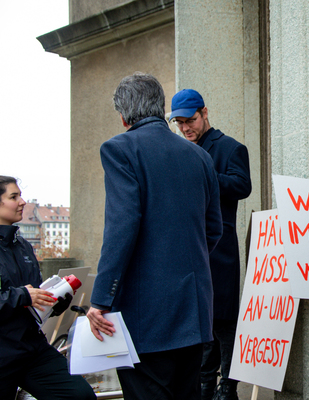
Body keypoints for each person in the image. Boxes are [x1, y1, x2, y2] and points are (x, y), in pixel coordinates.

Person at [86, 74, 223, 399]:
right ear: (161, 108)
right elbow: (213, 228)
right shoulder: (199, 155)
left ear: (124, 117)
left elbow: (121, 227)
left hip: (145, 312)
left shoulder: (120, 149)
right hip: (193, 308)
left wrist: (101, 299)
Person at [170, 89, 252, 400]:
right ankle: (204, 386)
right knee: (200, 321)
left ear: (204, 113)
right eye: (179, 123)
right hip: (190, 248)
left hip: (220, 251)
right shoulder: (180, 149)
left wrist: (203, 174)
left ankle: (228, 387)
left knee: (224, 321)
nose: (185, 128)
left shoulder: (230, 147)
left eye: (190, 120)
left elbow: (242, 185)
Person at [0, 176, 96, 400]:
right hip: (2, 353)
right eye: (14, 197)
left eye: (21, 195)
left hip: (31, 347)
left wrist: (55, 302)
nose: (22, 201)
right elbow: (23, 296)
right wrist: (22, 295)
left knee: (80, 396)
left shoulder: (23, 246)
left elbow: (36, 295)